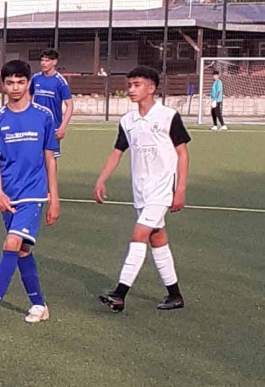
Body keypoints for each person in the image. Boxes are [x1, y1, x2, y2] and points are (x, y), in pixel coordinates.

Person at [95, 65, 190, 312]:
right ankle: (175, 295)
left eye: (137, 85)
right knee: (157, 238)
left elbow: (182, 153)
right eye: (129, 85)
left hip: (162, 189)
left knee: (139, 235)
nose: (131, 89)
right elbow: (117, 153)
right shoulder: (127, 121)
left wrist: (180, 189)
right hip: (141, 190)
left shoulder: (168, 116)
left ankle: (119, 294)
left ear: (151, 88)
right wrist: (101, 179)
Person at [0, 59, 58, 327]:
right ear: (3, 85)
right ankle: (39, 304)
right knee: (22, 250)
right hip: (9, 195)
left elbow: (50, 159)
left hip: (33, 193)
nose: (15, 87)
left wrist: (54, 198)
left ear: (28, 83)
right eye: (10, 82)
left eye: (20, 82)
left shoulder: (44, 116)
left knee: (11, 243)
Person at [30, 49, 73, 153]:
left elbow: (70, 105)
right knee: (34, 155)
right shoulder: (35, 78)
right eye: (42, 60)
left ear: (54, 62)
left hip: (53, 127)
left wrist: (62, 127)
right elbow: (27, 98)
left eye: (47, 60)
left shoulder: (60, 82)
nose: (43, 63)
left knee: (51, 157)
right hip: (36, 125)